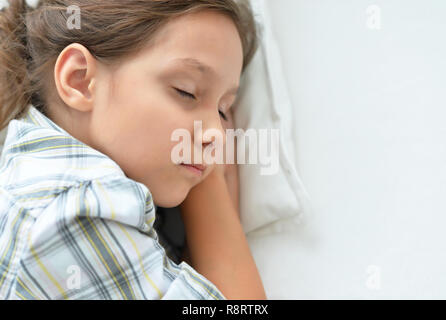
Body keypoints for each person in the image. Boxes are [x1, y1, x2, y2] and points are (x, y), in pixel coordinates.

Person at [0, 0, 266, 300]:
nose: (217, 135)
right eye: (186, 91)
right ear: (80, 80)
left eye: (223, 110)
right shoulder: (77, 211)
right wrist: (211, 179)